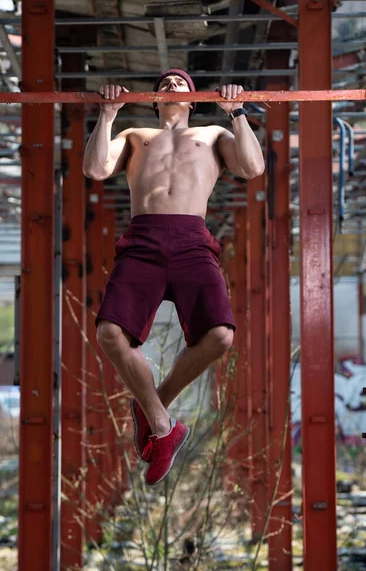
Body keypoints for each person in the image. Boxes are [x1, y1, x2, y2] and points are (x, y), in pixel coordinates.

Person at [83, 69, 264, 486]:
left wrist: (237, 112)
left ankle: (153, 407)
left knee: (220, 336)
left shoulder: (214, 134)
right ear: (154, 98)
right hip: (143, 238)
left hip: (190, 240)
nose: (172, 86)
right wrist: (108, 113)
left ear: (193, 99)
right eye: (165, 83)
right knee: (110, 334)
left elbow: (253, 168)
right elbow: (94, 170)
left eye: (181, 83)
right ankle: (164, 427)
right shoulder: (135, 134)